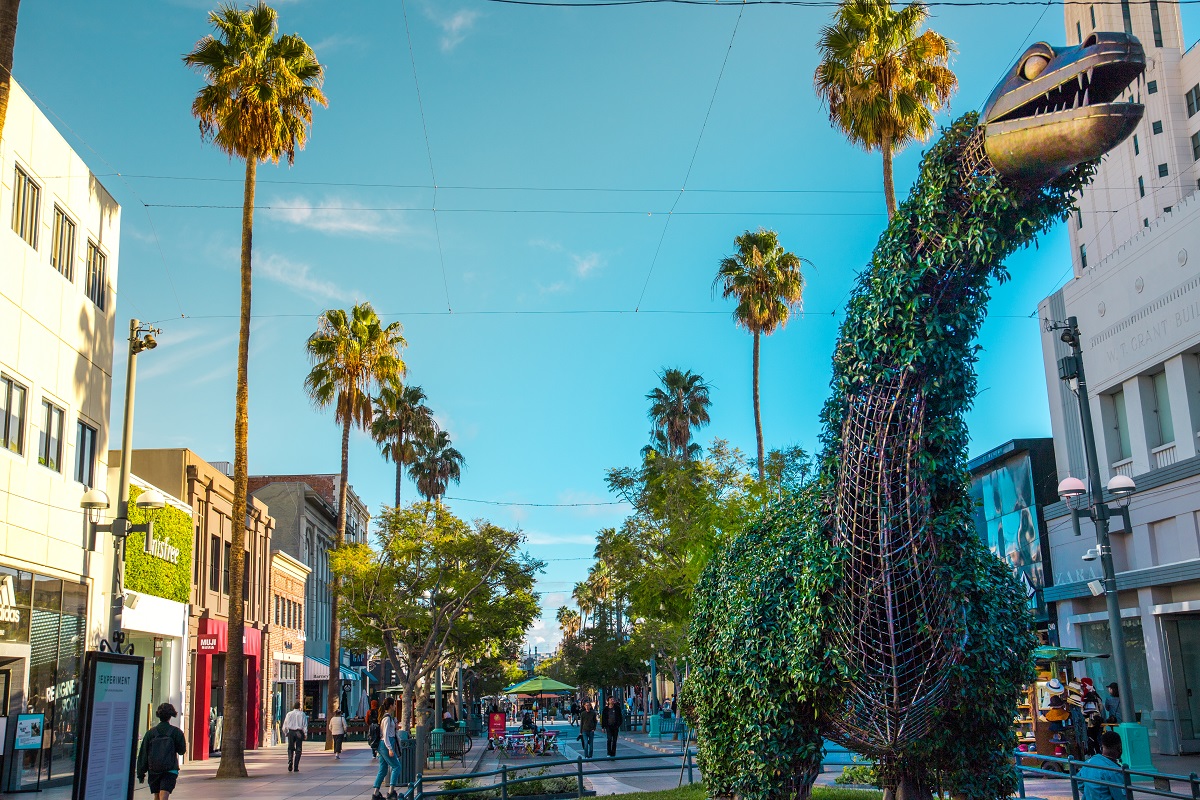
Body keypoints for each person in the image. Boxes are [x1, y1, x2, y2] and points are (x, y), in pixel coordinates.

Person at [136, 703, 187, 800]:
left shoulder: (150, 733)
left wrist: (141, 773)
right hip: (170, 769)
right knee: (164, 794)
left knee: (156, 795)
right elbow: (182, 751)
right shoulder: (176, 732)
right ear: (171, 715)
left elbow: (143, 753)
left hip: (154, 770)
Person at [1077, 731, 1124, 800]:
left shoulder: (1089, 762)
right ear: (1119, 747)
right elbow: (1121, 797)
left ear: (1102, 746)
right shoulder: (1114, 771)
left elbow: (1079, 783)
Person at [372, 697, 403, 800]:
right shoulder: (386, 718)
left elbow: (389, 733)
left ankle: (376, 793)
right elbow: (385, 735)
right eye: (394, 704)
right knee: (396, 766)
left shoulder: (389, 718)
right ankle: (391, 792)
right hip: (385, 745)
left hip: (384, 745)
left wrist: (395, 726)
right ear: (390, 705)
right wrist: (389, 748)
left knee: (383, 769)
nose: (395, 706)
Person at [281, 701, 308, 773]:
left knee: (290, 747)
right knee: (298, 749)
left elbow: (285, 724)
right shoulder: (302, 714)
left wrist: (286, 732)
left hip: (291, 732)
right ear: (299, 707)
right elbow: (305, 725)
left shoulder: (289, 714)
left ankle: (290, 761)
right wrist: (305, 734)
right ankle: (296, 766)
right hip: (299, 732)